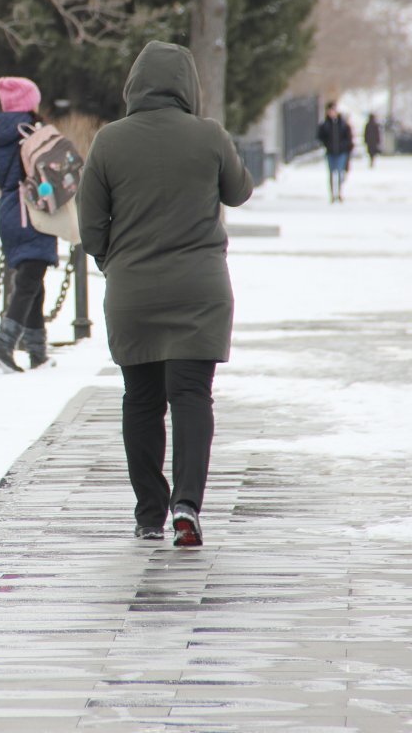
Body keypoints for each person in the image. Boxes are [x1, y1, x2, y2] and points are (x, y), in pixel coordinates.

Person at [76, 41, 254, 547]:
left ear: (134, 86)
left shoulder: (109, 141)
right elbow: (239, 191)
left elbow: (91, 228)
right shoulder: (209, 136)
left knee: (142, 400)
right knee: (192, 396)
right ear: (188, 87)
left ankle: (149, 510)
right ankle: (186, 505)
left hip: (134, 294)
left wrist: (118, 263)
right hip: (200, 291)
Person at [0, 76, 58, 372]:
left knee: (33, 279)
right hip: (31, 209)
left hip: (9, 209)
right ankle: (3, 346)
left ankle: (37, 352)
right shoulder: (33, 132)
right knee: (29, 280)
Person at [317, 100, 353, 202]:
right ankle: (333, 194)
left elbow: (348, 137)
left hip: (341, 152)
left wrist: (346, 147)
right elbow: (321, 137)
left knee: (340, 173)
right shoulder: (325, 124)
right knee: (332, 173)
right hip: (330, 152)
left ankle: (340, 192)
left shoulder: (343, 124)